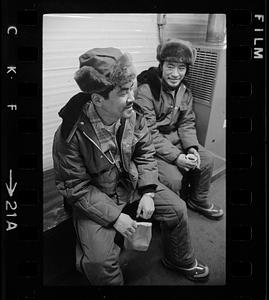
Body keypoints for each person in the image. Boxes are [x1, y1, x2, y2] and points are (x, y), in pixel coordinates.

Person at [52, 47, 209, 286]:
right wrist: (116, 218)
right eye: (124, 91)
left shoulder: (132, 115)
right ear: (97, 99)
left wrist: (147, 191)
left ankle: (179, 259)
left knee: (177, 209)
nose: (132, 97)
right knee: (98, 262)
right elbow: (75, 186)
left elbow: (146, 153)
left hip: (130, 186)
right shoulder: (70, 134)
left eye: (132, 88)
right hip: (96, 198)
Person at [135, 39, 224, 220]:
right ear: (161, 66)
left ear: (186, 70)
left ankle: (197, 200)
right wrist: (176, 157)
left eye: (181, 68)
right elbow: (148, 133)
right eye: (170, 67)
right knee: (173, 179)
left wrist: (192, 147)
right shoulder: (146, 91)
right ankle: (170, 216)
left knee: (206, 159)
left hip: (175, 140)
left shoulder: (185, 91)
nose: (175, 74)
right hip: (152, 147)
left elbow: (187, 123)